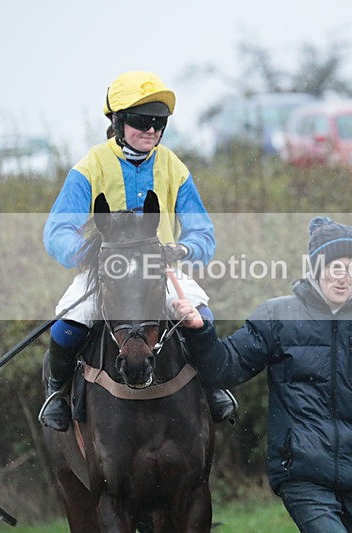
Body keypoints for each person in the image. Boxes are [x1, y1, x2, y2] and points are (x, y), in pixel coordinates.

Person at [173, 217, 352, 532]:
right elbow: (224, 368)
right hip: (301, 473)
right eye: (336, 267)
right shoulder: (277, 316)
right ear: (316, 267)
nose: (345, 278)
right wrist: (201, 331)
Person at [39, 70, 237, 431]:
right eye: (142, 121)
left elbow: (201, 230)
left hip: (159, 268)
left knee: (202, 318)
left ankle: (213, 386)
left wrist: (185, 249)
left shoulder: (174, 166)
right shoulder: (90, 166)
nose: (151, 131)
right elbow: (56, 230)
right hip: (105, 268)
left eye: (159, 123)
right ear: (117, 122)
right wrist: (84, 252)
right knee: (68, 325)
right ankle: (57, 391)